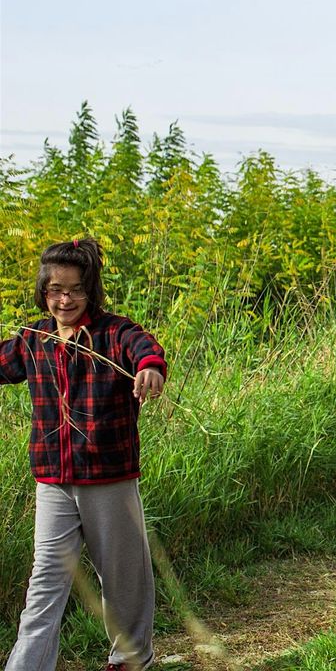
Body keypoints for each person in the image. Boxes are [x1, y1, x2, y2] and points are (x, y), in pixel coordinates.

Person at [1, 238, 166, 671]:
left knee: (122, 580)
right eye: (55, 289)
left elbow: (144, 347)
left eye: (75, 289)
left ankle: (129, 661)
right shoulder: (33, 339)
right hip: (53, 481)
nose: (65, 299)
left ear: (90, 291)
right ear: (44, 290)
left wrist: (149, 367)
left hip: (108, 480)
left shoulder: (112, 332)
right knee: (45, 583)